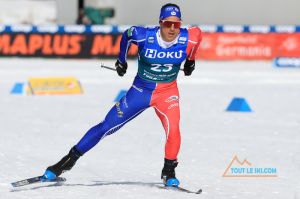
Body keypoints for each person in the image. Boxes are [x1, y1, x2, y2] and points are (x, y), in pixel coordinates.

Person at [42, 3, 202, 187]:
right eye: (167, 24)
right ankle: (65, 162)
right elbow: (127, 36)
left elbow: (197, 38)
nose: (172, 29)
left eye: (176, 24)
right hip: (140, 91)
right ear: (160, 23)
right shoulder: (144, 35)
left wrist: (191, 61)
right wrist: (121, 61)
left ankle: (169, 171)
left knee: (173, 129)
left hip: (167, 93)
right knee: (106, 126)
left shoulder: (190, 36)